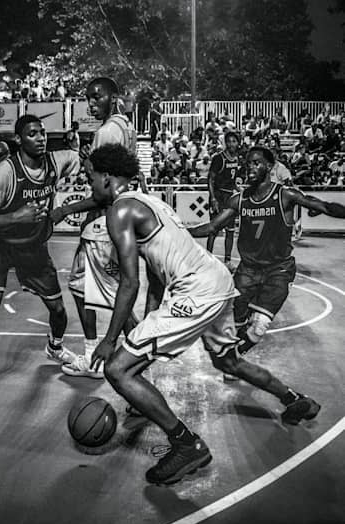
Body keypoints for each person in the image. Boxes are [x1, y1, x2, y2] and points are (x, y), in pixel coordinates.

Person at [88, 144, 321, 486]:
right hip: (216, 279)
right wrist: (143, 337)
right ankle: (295, 400)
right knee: (228, 362)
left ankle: (187, 445)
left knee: (117, 369)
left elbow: (129, 281)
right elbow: (155, 276)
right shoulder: (152, 201)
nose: (89, 183)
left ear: (106, 177)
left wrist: (111, 342)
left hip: (196, 291)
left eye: (90, 176)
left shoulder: (119, 212)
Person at [0, 115, 79, 413]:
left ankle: (55, 347)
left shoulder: (57, 161)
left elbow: (87, 160)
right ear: (19, 140)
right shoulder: (4, 173)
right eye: (32, 134)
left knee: (59, 311)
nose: (40, 138)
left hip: (33, 248)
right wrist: (16, 217)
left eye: (43, 133)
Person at [190, 146, 345, 367]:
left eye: (256, 163)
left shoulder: (285, 195)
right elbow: (212, 227)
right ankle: (233, 354)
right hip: (248, 270)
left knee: (258, 327)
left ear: (269, 167)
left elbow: (324, 206)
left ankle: (234, 359)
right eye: (248, 163)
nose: (250, 167)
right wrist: (179, 230)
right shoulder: (240, 199)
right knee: (235, 322)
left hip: (278, 270)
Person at [50, 77, 137, 379]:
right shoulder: (124, 126)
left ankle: (107, 357)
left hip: (103, 224)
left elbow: (103, 190)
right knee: (99, 291)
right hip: (116, 219)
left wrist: (65, 209)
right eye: (88, 98)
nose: (91, 103)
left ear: (113, 97)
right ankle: (120, 357)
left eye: (97, 97)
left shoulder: (107, 131)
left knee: (109, 296)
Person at [206, 132, 240, 271]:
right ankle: (207, 260)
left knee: (230, 230)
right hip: (219, 196)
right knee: (213, 229)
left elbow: (232, 180)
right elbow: (210, 179)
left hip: (229, 197)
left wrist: (238, 188)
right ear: (226, 143)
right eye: (229, 141)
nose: (232, 144)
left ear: (238, 143)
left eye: (234, 141)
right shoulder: (218, 158)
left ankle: (227, 261)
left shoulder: (237, 158)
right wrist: (213, 198)